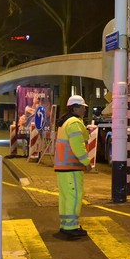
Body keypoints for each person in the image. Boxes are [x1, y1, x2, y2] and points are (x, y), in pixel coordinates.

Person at [54, 95, 92, 238]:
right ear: (76, 108)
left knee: (65, 196)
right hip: (72, 167)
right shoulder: (74, 123)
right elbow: (77, 145)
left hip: (63, 167)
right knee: (74, 196)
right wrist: (86, 162)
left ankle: (66, 225)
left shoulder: (65, 122)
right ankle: (71, 227)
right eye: (83, 107)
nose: (84, 110)